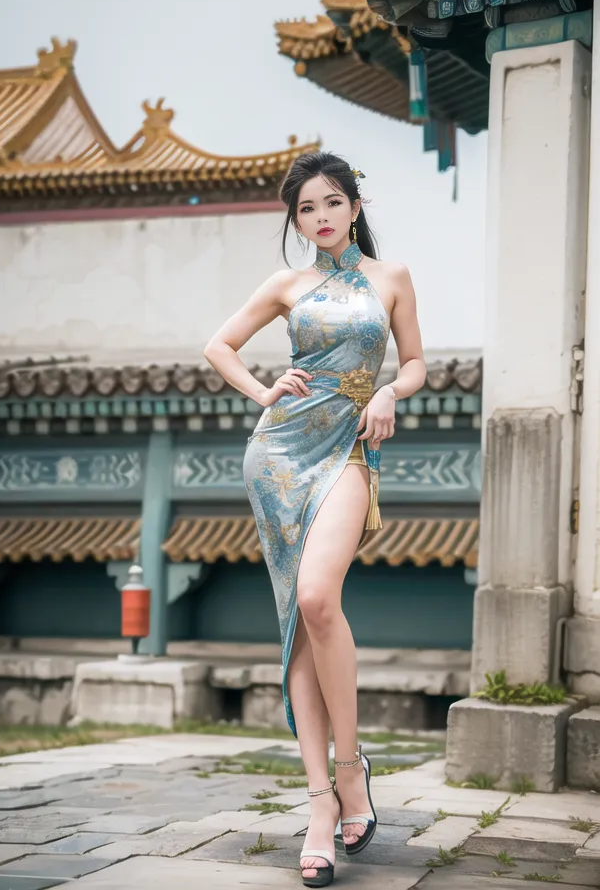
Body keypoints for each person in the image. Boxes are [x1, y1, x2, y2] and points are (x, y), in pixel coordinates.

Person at [204, 151, 426, 887]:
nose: (320, 217)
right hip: (279, 454)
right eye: (305, 209)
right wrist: (265, 391)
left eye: (331, 202)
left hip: (349, 451)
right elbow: (217, 346)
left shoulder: (390, 279)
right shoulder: (286, 284)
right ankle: (321, 806)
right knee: (298, 618)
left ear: (354, 207)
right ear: (295, 220)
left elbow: (418, 362)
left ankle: (349, 767)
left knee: (316, 597)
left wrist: (390, 392)